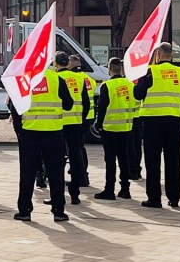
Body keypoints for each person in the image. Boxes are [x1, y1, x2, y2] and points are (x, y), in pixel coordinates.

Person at [12, 58, 75, 222]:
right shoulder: (57, 78)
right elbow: (68, 104)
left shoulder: (25, 79)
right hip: (53, 132)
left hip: (29, 133)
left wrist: (19, 131)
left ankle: (24, 210)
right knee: (56, 174)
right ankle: (59, 211)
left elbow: (15, 107)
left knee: (27, 173)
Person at [133, 42, 180, 208]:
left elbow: (138, 94)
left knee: (153, 162)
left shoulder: (150, 71)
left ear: (157, 54)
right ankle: (174, 197)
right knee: (173, 162)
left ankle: (154, 198)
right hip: (175, 121)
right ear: (171, 54)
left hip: (152, 122)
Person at [93, 57, 134, 200]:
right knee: (124, 158)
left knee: (110, 160)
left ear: (109, 69)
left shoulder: (107, 86)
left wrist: (99, 124)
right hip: (126, 126)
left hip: (110, 128)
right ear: (121, 69)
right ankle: (125, 189)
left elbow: (102, 107)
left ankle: (109, 189)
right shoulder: (129, 84)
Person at [56, 52, 90, 203]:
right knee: (75, 157)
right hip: (76, 123)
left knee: (58, 159)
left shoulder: (55, 78)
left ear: (55, 64)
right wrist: (82, 120)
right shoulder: (79, 78)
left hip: (59, 124)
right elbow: (86, 102)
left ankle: (58, 193)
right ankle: (75, 193)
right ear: (68, 63)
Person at [67, 54, 97, 186]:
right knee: (81, 148)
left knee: (73, 150)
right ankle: (84, 174)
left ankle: (78, 176)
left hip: (74, 118)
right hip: (88, 117)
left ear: (70, 65)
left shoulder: (71, 78)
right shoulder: (89, 79)